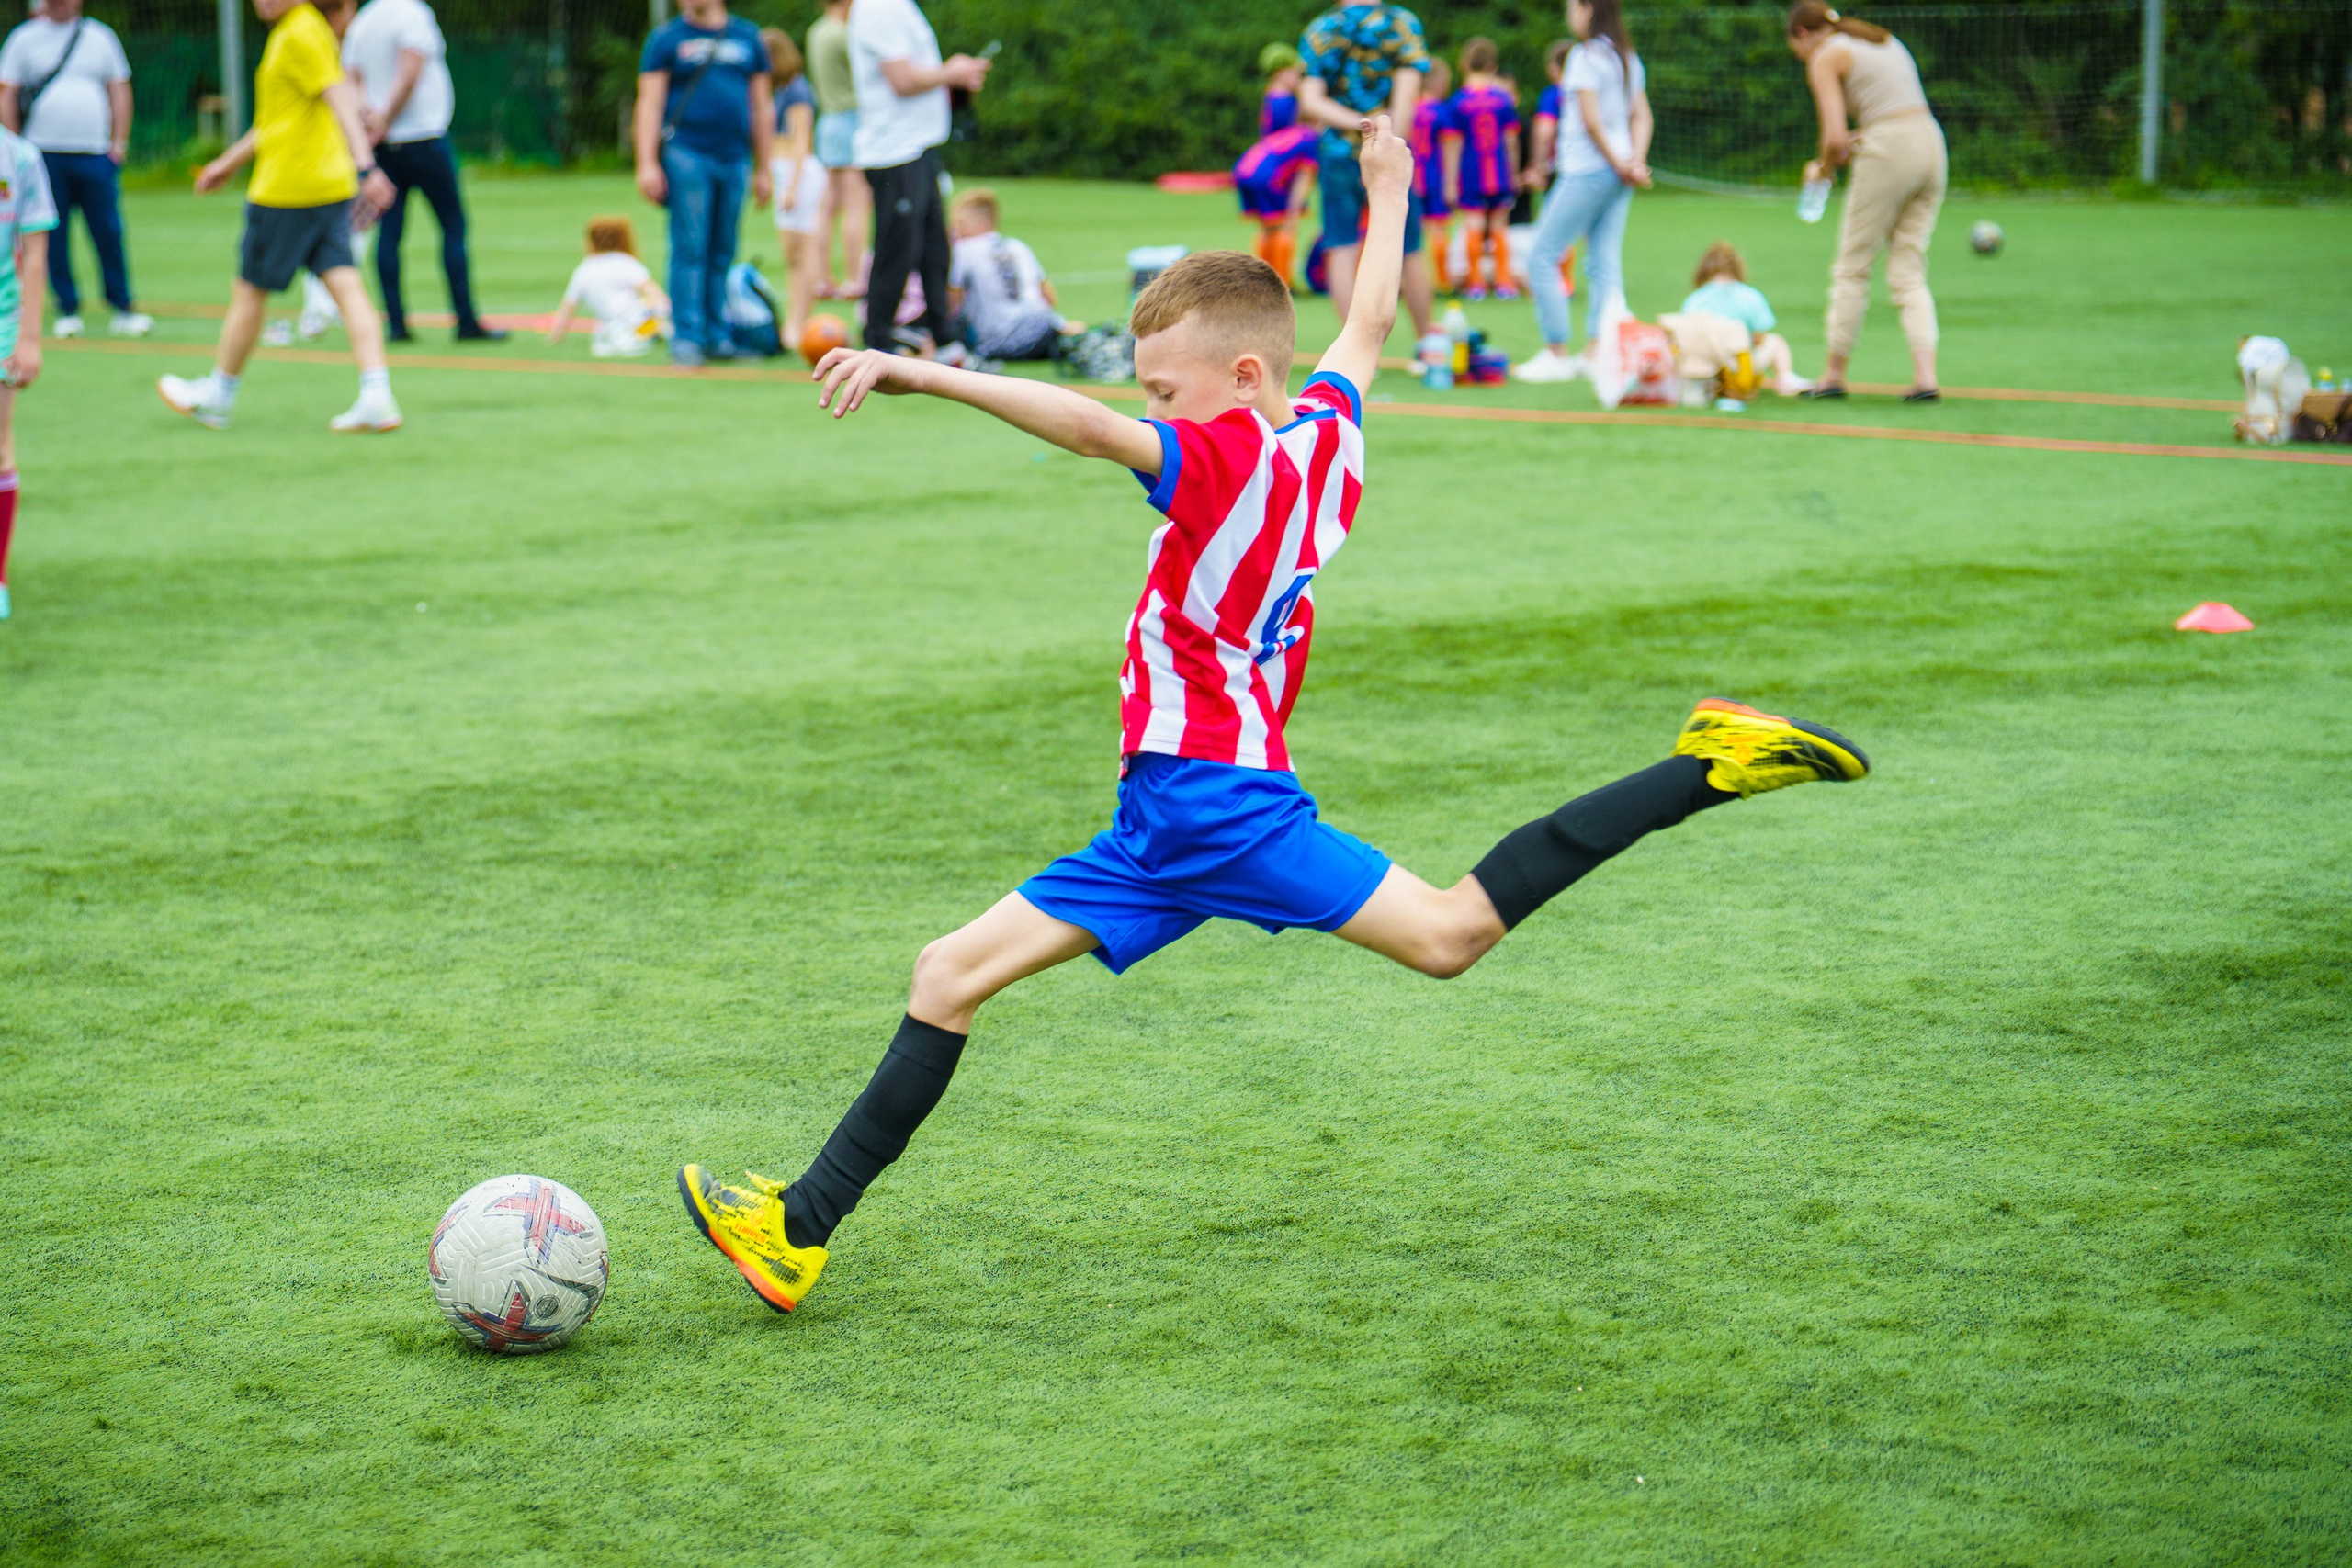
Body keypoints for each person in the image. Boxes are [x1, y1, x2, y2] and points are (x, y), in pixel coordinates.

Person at [672, 113, 1872, 1316]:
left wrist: (922, 370)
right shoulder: (1322, 438)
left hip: (1214, 802)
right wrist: (1390, 187)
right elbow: (1366, 325)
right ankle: (798, 1229)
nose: (1151, 411)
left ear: (1244, 380)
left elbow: (1090, 428)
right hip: (1167, 812)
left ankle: (1708, 765)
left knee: (1449, 932)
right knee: (949, 971)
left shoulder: (1227, 459)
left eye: (1164, 392)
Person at [157, 0, 399, 434]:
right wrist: (228, 162)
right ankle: (377, 394)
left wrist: (366, 166)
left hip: (288, 190)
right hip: (327, 186)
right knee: (346, 284)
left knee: (250, 292)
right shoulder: (301, 29)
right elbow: (277, 120)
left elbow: (339, 97)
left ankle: (218, 396)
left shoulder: (301, 31)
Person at [1786, 0, 1944, 401]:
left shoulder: (1825, 56)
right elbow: (1891, 115)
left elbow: (1835, 139)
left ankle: (1833, 376)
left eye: (1796, 50)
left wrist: (1821, 170)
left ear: (1802, 34)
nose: (1802, 57)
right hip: (1931, 143)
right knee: (1909, 269)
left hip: (1890, 150)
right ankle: (1926, 379)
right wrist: (1844, 150)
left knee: (1852, 268)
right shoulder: (1881, 39)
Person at [342, 0, 498, 342]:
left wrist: (369, 117)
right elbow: (409, 74)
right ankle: (466, 321)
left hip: (385, 146)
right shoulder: (413, 14)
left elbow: (352, 80)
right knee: (452, 225)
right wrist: (385, 118)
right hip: (424, 137)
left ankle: (396, 324)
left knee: (390, 232)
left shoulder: (363, 21)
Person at [1514, 0, 1650, 384]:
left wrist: (1621, 162)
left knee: (1541, 255)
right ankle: (1596, 352)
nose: (1569, 15)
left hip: (1587, 171)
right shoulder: (1626, 57)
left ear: (1588, 9)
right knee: (1604, 261)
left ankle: (1557, 352)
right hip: (1617, 173)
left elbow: (1591, 122)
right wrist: (1634, 162)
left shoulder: (1585, 57)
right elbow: (1641, 115)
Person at [634, 0, 774, 367]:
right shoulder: (667, 39)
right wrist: (647, 163)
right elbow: (649, 103)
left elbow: (762, 107)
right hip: (687, 153)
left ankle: (717, 335)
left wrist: (765, 167)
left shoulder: (748, 37)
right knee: (690, 246)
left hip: (735, 156)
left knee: (723, 248)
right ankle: (687, 337)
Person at [0, 0, 148, 340]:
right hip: (42, 155)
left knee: (108, 231)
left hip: (94, 153)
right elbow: (7, 92)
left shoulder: (100, 36)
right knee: (51, 234)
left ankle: (122, 306)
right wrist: (14, 148)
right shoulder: (24, 38)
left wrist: (119, 144)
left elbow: (119, 89)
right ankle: (67, 307)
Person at [847, 0, 989, 355]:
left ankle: (944, 341)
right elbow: (903, 80)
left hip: (919, 146)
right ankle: (878, 342)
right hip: (893, 150)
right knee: (897, 251)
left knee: (935, 251)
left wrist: (955, 80)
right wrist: (951, 73)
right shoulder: (877, 7)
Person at [1296, 2, 1435, 352]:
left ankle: (1354, 352)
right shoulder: (1401, 23)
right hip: (1389, 150)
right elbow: (1407, 96)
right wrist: (1386, 141)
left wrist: (1359, 125)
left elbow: (1311, 100)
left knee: (1341, 248)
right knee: (1409, 248)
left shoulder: (1322, 28)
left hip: (1338, 154)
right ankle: (1427, 343)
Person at [0, 124, 52, 620]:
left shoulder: (20, 158)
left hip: (3, 320)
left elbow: (35, 255)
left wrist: (30, 337)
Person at [1664, 240, 1811, 397]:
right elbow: (1758, 337)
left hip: (1706, 366)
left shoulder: (1696, 299)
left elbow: (1685, 337)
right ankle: (1785, 379)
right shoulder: (1750, 296)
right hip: (1740, 365)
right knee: (1776, 342)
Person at [945, 188, 1074, 363]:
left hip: (1002, 342)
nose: (954, 229)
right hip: (1043, 329)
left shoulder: (963, 250)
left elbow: (952, 303)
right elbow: (1050, 298)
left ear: (982, 222)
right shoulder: (1018, 246)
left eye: (960, 223)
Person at [1443, 39, 1520, 301]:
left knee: (1473, 224)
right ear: (1493, 66)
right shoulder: (1503, 99)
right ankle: (1504, 282)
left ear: (1464, 64)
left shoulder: (1458, 102)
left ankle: (1476, 283)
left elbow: (1453, 144)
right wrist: (1513, 172)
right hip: (1498, 171)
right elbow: (1511, 141)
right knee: (1499, 224)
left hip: (1471, 172)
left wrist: (1450, 182)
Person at [763, 27, 821, 352]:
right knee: (792, 256)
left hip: (797, 174)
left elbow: (801, 141)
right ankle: (793, 323)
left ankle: (801, 323)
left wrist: (792, 186)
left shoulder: (797, 91)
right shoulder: (779, 90)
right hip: (783, 172)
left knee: (802, 252)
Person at [805, 0, 866, 300]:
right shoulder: (845, 34)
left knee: (827, 204)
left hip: (828, 120)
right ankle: (853, 279)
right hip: (851, 120)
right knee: (857, 202)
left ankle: (822, 278)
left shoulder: (816, 31)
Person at [546, 215, 670, 358]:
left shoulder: (585, 268)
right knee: (655, 310)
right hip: (636, 323)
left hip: (607, 322)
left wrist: (556, 335)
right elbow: (657, 296)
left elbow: (569, 305)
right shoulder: (626, 263)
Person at [1232, 120, 1319, 288]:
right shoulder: (1312, 139)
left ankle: (1264, 280)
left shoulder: (1292, 133)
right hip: (1267, 176)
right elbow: (1304, 178)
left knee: (1268, 229)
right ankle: (1282, 285)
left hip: (1244, 171)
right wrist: (1293, 213)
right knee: (1283, 228)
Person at [1406, 55, 1456, 291]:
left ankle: (1414, 281)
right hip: (1435, 175)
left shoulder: (1408, 109)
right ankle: (1442, 281)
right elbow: (1450, 146)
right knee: (1437, 227)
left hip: (1410, 176)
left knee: (1411, 231)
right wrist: (1451, 182)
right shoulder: (1441, 111)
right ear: (1438, 83)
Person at [1259, 42, 1302, 134]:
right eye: (1296, 72)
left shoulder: (1270, 97)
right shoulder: (1283, 102)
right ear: (1281, 73)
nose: (1299, 78)